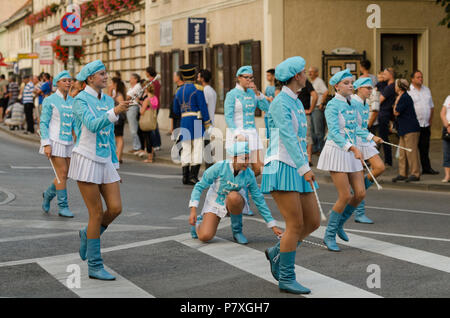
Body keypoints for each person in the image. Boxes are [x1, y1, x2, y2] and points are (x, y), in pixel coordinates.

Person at [261, 56, 321, 295]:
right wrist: (304, 167)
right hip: (281, 165)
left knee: (313, 221)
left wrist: (303, 164)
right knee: (294, 225)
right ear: (297, 76)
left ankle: (277, 252)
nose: (306, 75)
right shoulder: (280, 103)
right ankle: (286, 277)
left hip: (296, 165)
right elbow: (285, 136)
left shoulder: (295, 100)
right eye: (304, 72)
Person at [69, 60, 131, 281]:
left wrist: (115, 164)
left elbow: (110, 137)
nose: (105, 77)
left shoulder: (107, 99)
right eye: (101, 74)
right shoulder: (79, 101)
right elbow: (93, 125)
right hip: (86, 158)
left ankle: (88, 234)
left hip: (105, 160)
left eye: (106, 73)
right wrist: (115, 111)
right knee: (95, 213)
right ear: (90, 78)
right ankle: (95, 265)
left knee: (115, 208)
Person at [317, 69, 381, 252]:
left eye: (352, 82)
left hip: (352, 151)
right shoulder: (332, 105)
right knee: (345, 195)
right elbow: (335, 133)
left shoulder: (353, 104)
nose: (351, 86)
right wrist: (352, 148)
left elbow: (357, 129)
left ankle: (339, 225)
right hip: (338, 151)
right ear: (336, 86)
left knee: (360, 193)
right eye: (346, 83)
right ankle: (329, 235)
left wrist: (370, 137)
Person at [189, 138, 283, 246]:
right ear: (234, 158)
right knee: (205, 236)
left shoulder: (249, 174)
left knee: (234, 196)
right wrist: (193, 210)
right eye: (244, 159)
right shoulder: (219, 167)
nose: (247, 163)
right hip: (216, 201)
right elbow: (199, 187)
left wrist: (273, 226)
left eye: (248, 159)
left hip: (234, 201)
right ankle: (197, 224)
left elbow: (259, 199)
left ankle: (237, 231)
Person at [224, 65, 270, 216]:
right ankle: (238, 201)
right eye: (246, 77)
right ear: (239, 78)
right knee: (238, 168)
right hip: (238, 134)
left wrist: (258, 93)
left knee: (257, 168)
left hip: (252, 133)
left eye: (251, 77)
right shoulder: (232, 94)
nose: (249, 80)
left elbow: (266, 107)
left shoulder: (252, 93)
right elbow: (228, 116)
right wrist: (237, 133)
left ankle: (241, 190)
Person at [39, 71, 75, 218]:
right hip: (54, 141)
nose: (68, 83)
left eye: (70, 80)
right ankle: (63, 206)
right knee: (62, 173)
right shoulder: (50, 100)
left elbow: (76, 125)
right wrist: (46, 143)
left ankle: (48, 194)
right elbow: (43, 123)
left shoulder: (73, 101)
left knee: (67, 174)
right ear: (57, 83)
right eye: (65, 80)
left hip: (69, 142)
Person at [350, 77, 385, 224]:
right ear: (359, 88)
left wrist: (370, 137)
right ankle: (359, 212)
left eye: (371, 88)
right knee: (361, 173)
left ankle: (358, 191)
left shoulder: (365, 103)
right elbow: (352, 127)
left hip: (364, 139)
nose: (371, 90)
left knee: (379, 167)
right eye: (368, 88)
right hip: (355, 140)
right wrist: (372, 136)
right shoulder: (352, 102)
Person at [173, 64, 212, 185]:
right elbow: (203, 108)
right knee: (198, 148)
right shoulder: (198, 89)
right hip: (196, 120)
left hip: (184, 121)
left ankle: (185, 176)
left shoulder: (179, 91)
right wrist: (208, 124)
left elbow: (175, 110)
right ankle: (193, 176)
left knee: (186, 148)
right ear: (194, 75)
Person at [409, 70, 439, 175]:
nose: (420, 79)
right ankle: (414, 170)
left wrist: (430, 120)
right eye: (418, 77)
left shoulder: (426, 90)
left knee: (425, 148)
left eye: (421, 77)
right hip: (414, 125)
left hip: (426, 124)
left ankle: (427, 168)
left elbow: (431, 106)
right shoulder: (409, 91)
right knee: (412, 149)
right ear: (412, 79)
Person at [392, 79, 421, 182]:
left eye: (396, 85)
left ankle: (415, 173)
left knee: (411, 152)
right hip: (404, 128)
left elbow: (396, 112)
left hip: (410, 128)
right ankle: (402, 173)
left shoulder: (404, 97)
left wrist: (395, 104)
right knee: (402, 152)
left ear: (399, 87)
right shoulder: (400, 97)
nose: (394, 87)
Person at [198, 69, 217, 169]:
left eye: (199, 76)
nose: (198, 78)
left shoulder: (204, 90)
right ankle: (210, 169)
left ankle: (209, 171)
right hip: (211, 121)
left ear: (202, 78)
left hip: (206, 122)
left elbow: (204, 106)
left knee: (206, 148)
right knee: (209, 148)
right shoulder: (212, 90)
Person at [378, 68, 396, 167]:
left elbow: (380, 99)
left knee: (383, 137)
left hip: (384, 114)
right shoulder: (387, 85)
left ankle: (388, 161)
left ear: (390, 75)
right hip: (385, 113)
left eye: (385, 74)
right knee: (382, 137)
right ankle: (387, 160)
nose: (383, 75)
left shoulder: (390, 87)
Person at [308, 66, 328, 154]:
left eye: (312, 72)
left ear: (316, 73)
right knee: (312, 131)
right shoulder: (311, 82)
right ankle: (315, 149)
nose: (310, 73)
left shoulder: (319, 81)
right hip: (311, 108)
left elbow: (326, 91)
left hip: (317, 108)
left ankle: (321, 149)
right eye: (309, 72)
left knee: (318, 130)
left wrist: (321, 103)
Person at [298, 78, 318, 165]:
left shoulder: (305, 82)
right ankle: (303, 158)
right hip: (296, 113)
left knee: (307, 136)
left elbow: (315, 95)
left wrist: (310, 109)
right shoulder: (292, 81)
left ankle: (308, 159)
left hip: (304, 113)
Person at [140, 84, 159, 163]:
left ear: (146, 90)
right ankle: (152, 154)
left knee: (147, 139)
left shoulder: (147, 99)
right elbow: (154, 107)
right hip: (152, 120)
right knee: (151, 137)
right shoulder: (154, 98)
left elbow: (142, 111)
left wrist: (141, 106)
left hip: (146, 121)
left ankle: (149, 158)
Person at [126, 73, 143, 156]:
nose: (130, 80)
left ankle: (137, 146)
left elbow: (128, 96)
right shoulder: (131, 87)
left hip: (133, 107)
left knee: (133, 128)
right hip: (130, 107)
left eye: (131, 78)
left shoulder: (137, 86)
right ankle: (136, 145)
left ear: (136, 79)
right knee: (132, 127)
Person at [145, 66, 162, 150]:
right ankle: (158, 143)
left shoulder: (150, 82)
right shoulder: (157, 82)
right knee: (155, 124)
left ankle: (155, 144)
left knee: (152, 125)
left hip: (151, 105)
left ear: (148, 73)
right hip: (157, 104)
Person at [112, 77, 127, 164]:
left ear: (116, 84)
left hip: (119, 118)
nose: (111, 85)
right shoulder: (116, 93)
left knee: (119, 137)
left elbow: (122, 107)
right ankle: (118, 156)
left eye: (112, 83)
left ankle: (118, 157)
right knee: (117, 137)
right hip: (116, 118)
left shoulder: (119, 95)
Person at [440, 95, 450, 183]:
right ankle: (447, 176)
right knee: (447, 153)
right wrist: (447, 125)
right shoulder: (448, 98)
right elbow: (442, 113)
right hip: (447, 129)